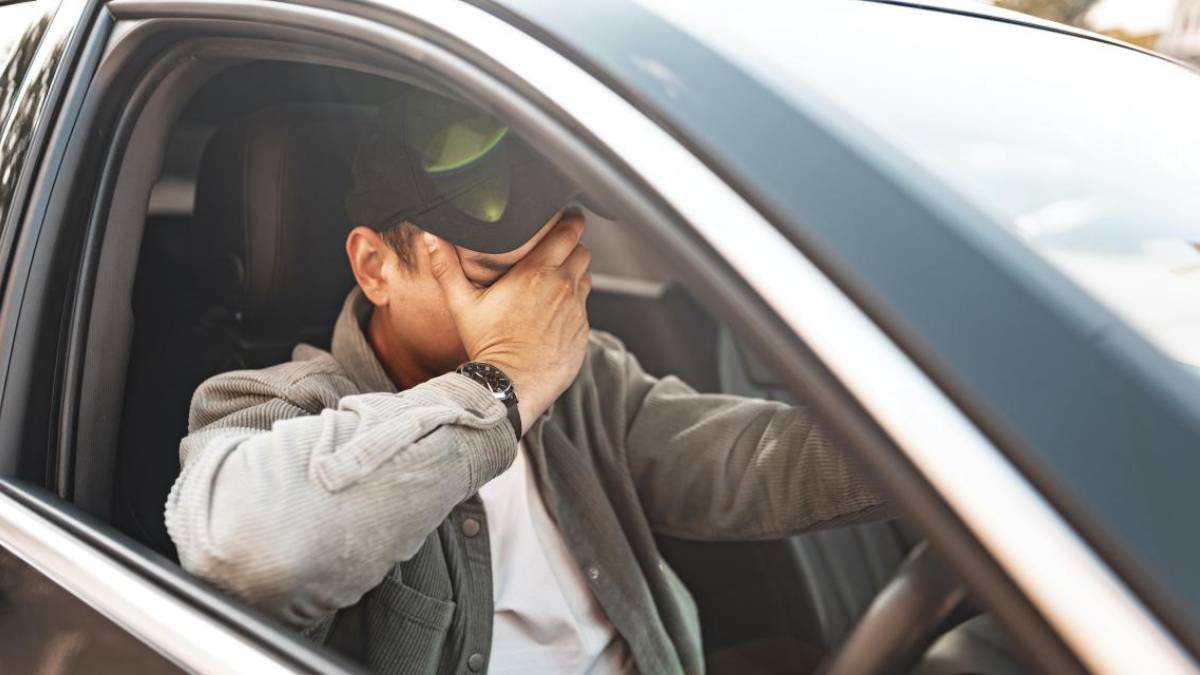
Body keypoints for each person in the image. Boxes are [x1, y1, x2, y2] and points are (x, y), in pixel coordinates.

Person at [165, 89, 888, 675]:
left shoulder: (584, 376)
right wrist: (502, 384)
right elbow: (247, 551)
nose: (537, 304)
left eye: (549, 267)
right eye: (491, 276)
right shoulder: (275, 405)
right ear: (375, 266)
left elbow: (748, 464)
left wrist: (939, 451)